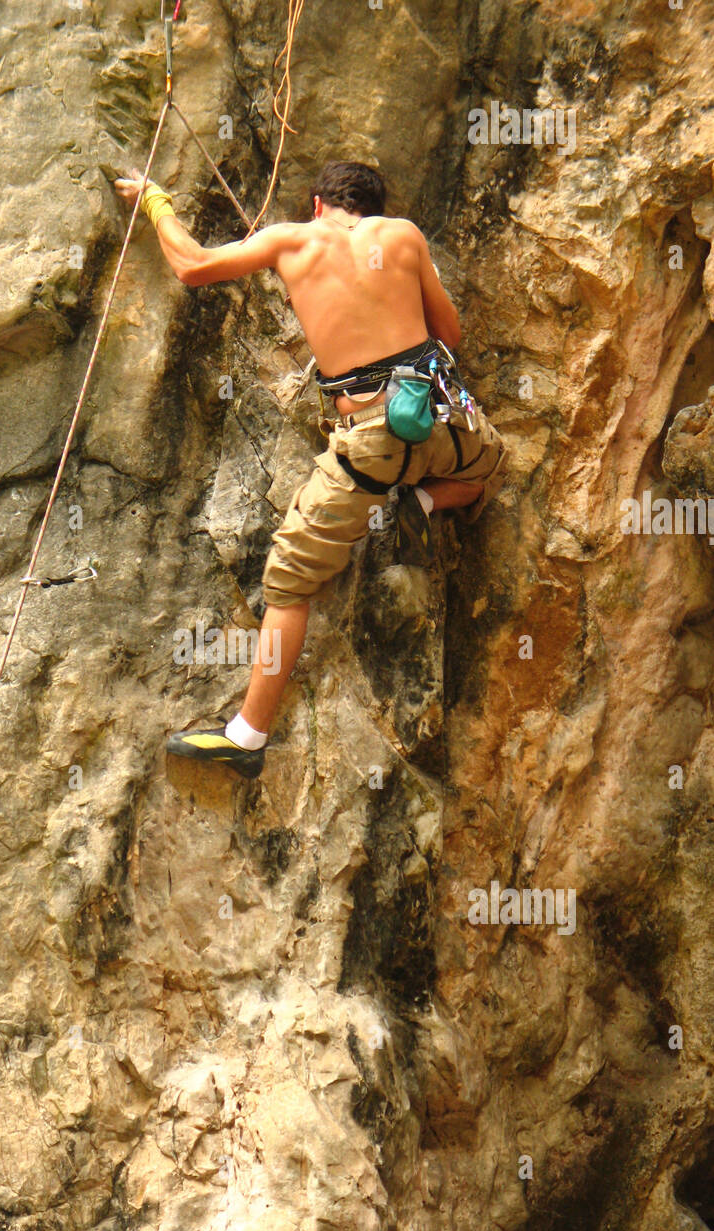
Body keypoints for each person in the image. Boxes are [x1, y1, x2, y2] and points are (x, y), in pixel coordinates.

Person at [115, 160, 509, 777]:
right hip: (443, 427)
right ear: (372, 208)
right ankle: (428, 503)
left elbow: (191, 267)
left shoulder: (290, 239)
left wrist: (156, 200)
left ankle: (248, 737)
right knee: (489, 471)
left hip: (368, 449)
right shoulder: (404, 236)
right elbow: (449, 332)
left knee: (290, 583)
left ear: (319, 204)